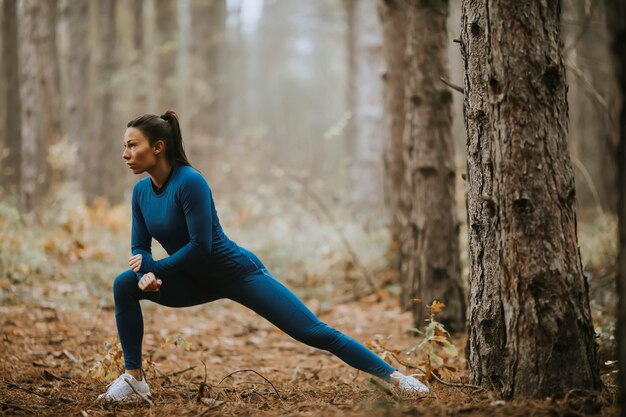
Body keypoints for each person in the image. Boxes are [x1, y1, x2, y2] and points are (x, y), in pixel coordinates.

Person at [97, 110, 430, 402]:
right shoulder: (141, 192)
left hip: (237, 274)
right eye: (125, 146)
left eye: (132, 145)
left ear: (158, 147)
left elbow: (202, 247)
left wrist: (155, 267)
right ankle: (135, 381)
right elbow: (140, 247)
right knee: (125, 285)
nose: (125, 153)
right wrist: (145, 273)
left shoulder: (190, 182)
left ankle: (398, 379)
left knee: (313, 331)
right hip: (192, 279)